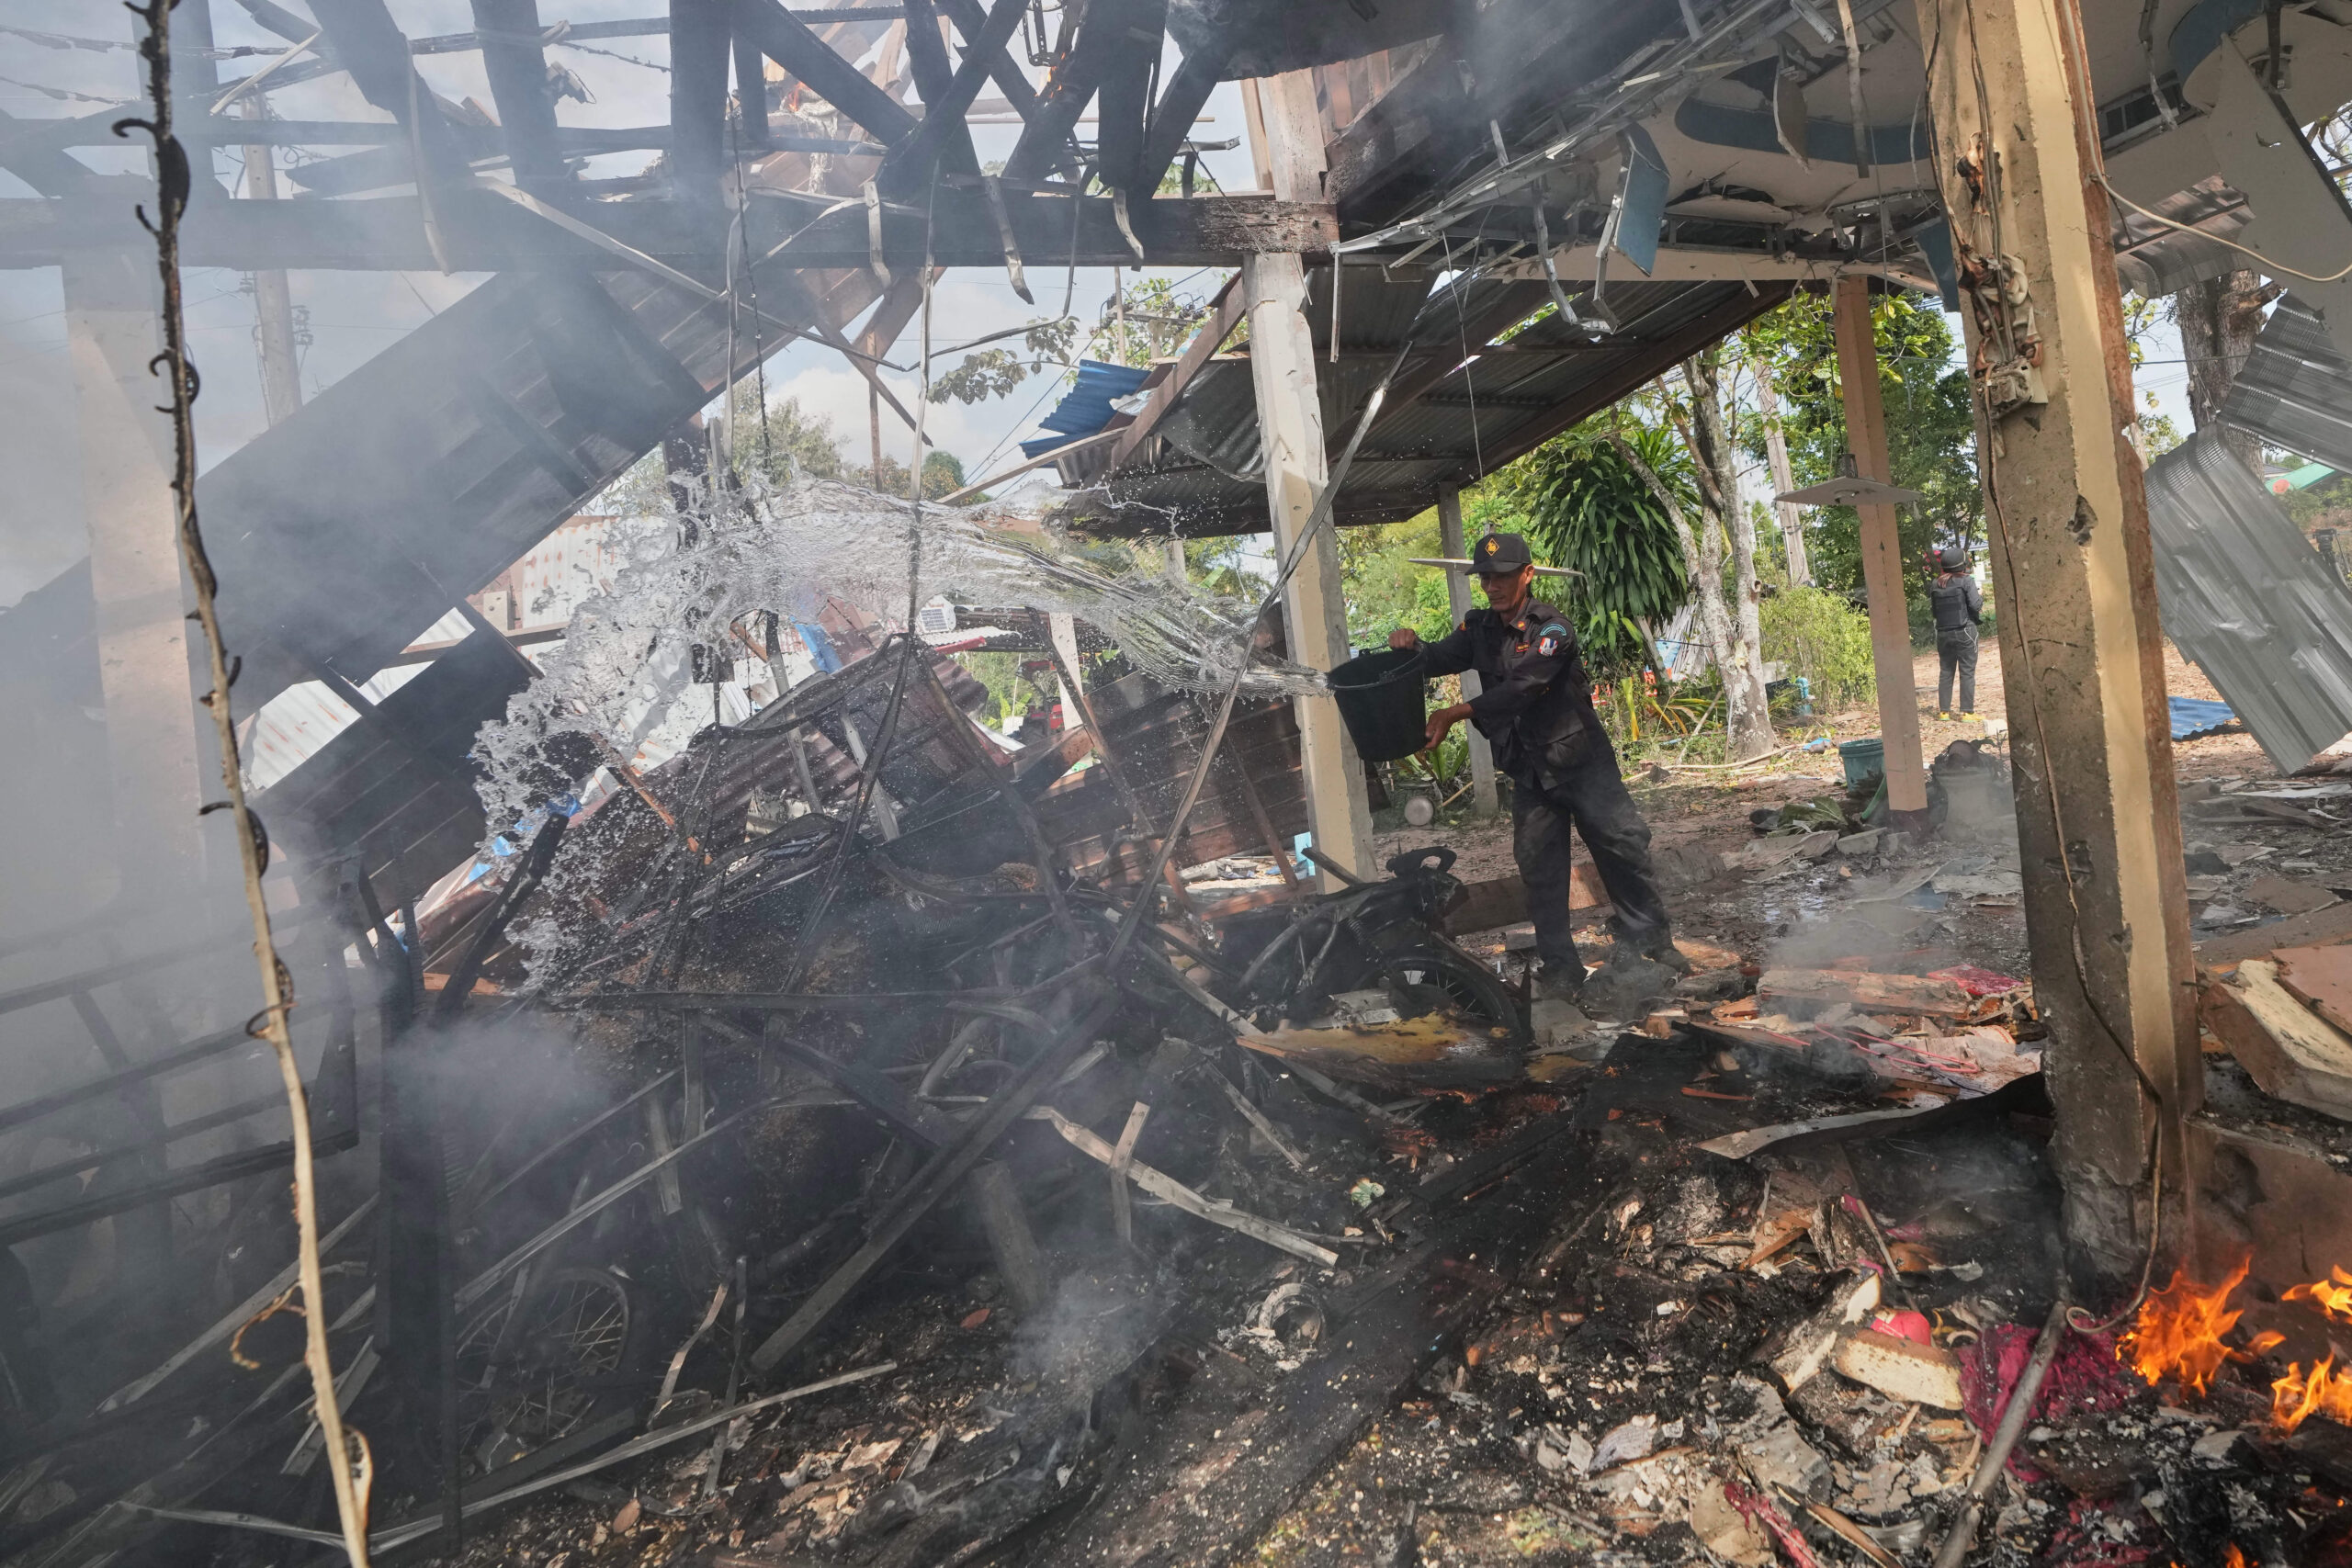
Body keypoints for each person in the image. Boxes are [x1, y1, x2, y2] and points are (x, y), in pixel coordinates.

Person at [1389, 532, 1685, 1006]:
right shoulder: (1478, 628)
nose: (1492, 586)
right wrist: (1410, 647)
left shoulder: (1553, 630)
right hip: (1529, 771)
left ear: (1527, 574)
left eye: (1503, 576)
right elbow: (1439, 658)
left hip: (1581, 763)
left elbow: (1523, 686)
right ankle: (1562, 968)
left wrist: (1455, 712)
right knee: (1540, 869)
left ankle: (1653, 943)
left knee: (1624, 847)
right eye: (1485, 578)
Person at [1927, 545, 1983, 719]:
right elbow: (1976, 605)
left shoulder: (1936, 584)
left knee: (1946, 671)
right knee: (1967, 672)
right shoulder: (1967, 581)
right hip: (1965, 631)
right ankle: (1967, 713)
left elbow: (1934, 612)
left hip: (1943, 634)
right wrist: (1980, 596)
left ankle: (1944, 712)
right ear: (1962, 564)